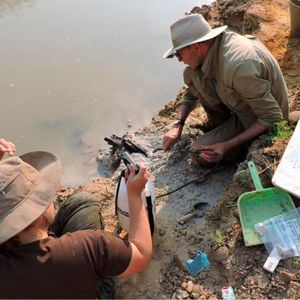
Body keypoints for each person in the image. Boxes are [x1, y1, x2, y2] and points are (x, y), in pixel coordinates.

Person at [0, 148, 152, 298]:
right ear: (40, 212)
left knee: (80, 202)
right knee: (84, 203)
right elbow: (141, 255)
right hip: (79, 285)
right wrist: (134, 195)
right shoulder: (88, 246)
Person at [162, 14, 289, 165]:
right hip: (244, 107)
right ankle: (222, 126)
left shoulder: (237, 65)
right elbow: (191, 93)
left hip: (261, 120)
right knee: (192, 74)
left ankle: (242, 148)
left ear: (196, 47)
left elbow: (272, 117)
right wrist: (178, 124)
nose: (180, 60)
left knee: (199, 153)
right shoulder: (211, 51)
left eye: (179, 54)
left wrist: (226, 146)